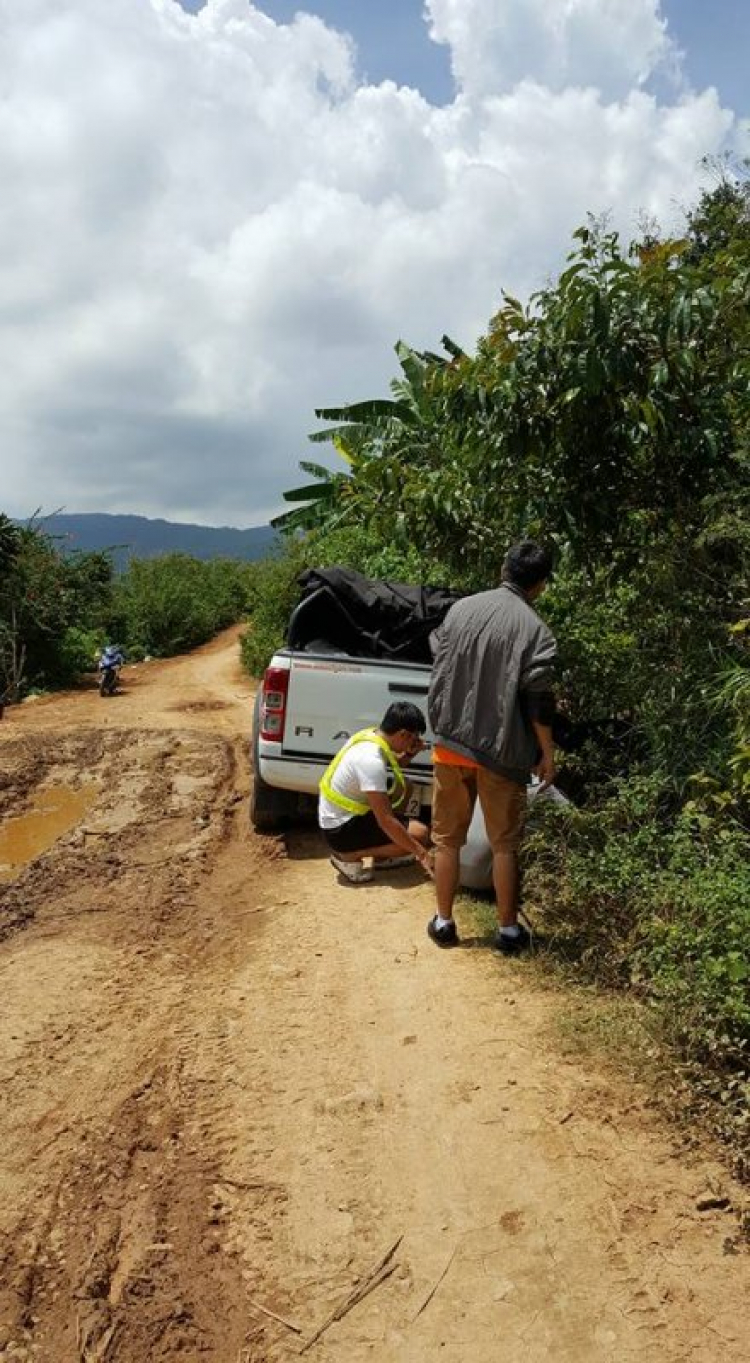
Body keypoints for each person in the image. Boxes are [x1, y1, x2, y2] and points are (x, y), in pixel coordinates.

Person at [426, 541, 557, 954]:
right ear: (540, 585)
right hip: (502, 753)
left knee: (446, 838)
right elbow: (538, 701)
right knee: (505, 844)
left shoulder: (460, 609)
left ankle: (444, 923)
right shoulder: (536, 631)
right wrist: (546, 753)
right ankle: (508, 931)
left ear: (504, 568)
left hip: (449, 745)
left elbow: (438, 656)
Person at [319, 701, 434, 884]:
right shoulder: (371, 760)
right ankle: (349, 855)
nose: (414, 742)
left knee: (405, 788)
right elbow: (386, 820)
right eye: (413, 738)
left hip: (339, 818)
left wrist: (410, 753)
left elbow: (393, 764)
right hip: (340, 830)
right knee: (420, 835)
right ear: (402, 734)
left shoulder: (370, 736)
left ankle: (382, 856)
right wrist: (421, 853)